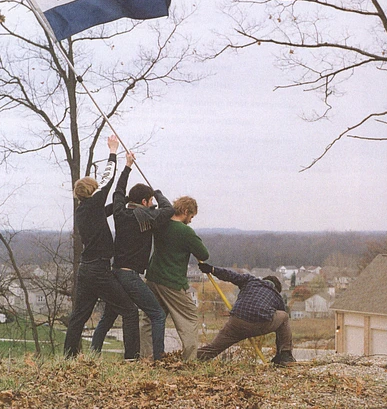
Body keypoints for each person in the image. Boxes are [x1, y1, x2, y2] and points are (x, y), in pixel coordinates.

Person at [90, 151, 175, 360]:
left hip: (115, 272)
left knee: (108, 317)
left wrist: (127, 166)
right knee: (157, 314)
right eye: (150, 201)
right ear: (145, 201)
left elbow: (118, 192)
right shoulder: (147, 217)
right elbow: (169, 209)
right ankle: (158, 358)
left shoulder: (120, 213)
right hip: (130, 276)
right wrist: (159, 192)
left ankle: (92, 356)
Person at [63, 135, 140, 360]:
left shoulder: (83, 211)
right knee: (129, 310)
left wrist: (122, 201)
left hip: (86, 270)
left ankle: (68, 358)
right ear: (91, 192)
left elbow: (105, 211)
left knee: (78, 316)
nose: (99, 190)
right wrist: (115, 154)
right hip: (98, 270)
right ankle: (132, 358)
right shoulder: (93, 204)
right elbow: (107, 180)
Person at [140, 196, 210, 361]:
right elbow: (204, 254)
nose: (191, 221)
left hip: (152, 278)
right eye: (191, 216)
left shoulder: (161, 223)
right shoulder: (186, 232)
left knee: (150, 318)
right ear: (185, 212)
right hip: (173, 282)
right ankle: (190, 360)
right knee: (189, 317)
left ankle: (145, 357)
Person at [196, 263, 296, 366]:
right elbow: (282, 330)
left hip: (237, 322)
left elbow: (231, 275)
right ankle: (285, 356)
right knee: (284, 317)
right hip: (260, 324)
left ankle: (189, 358)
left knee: (213, 348)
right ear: (277, 288)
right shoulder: (276, 295)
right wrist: (280, 351)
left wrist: (212, 269)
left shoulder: (250, 280)